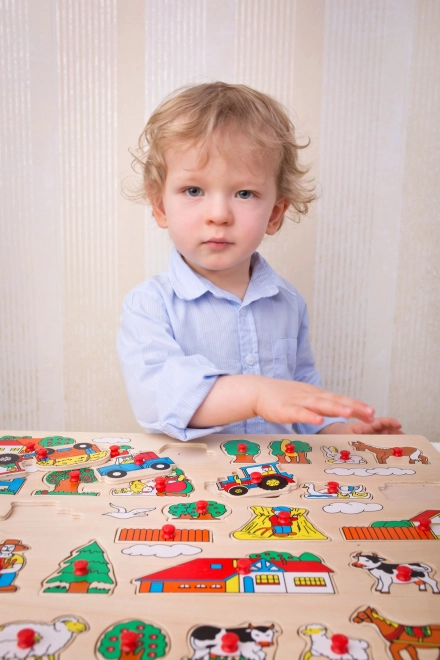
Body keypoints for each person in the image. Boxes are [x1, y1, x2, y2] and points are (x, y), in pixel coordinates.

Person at [117, 82, 402, 441]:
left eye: (244, 193)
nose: (219, 214)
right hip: (197, 488)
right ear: (160, 206)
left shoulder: (288, 302)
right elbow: (158, 399)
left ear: (274, 213)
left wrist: (344, 432)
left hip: (280, 483)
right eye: (194, 190)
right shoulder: (150, 305)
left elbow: (300, 402)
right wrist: (256, 393)